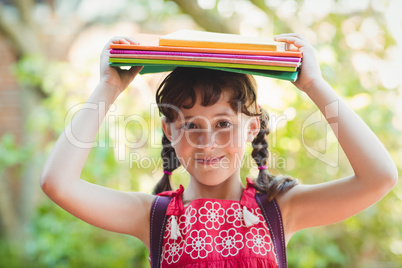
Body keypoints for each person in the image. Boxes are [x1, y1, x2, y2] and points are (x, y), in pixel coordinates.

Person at [40, 33, 398, 267]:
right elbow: (58, 183)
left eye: (223, 124)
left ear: (252, 127)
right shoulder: (154, 217)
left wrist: (314, 84)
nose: (207, 141)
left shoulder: (279, 210)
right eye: (191, 125)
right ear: (169, 131)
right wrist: (108, 87)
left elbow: (379, 177)